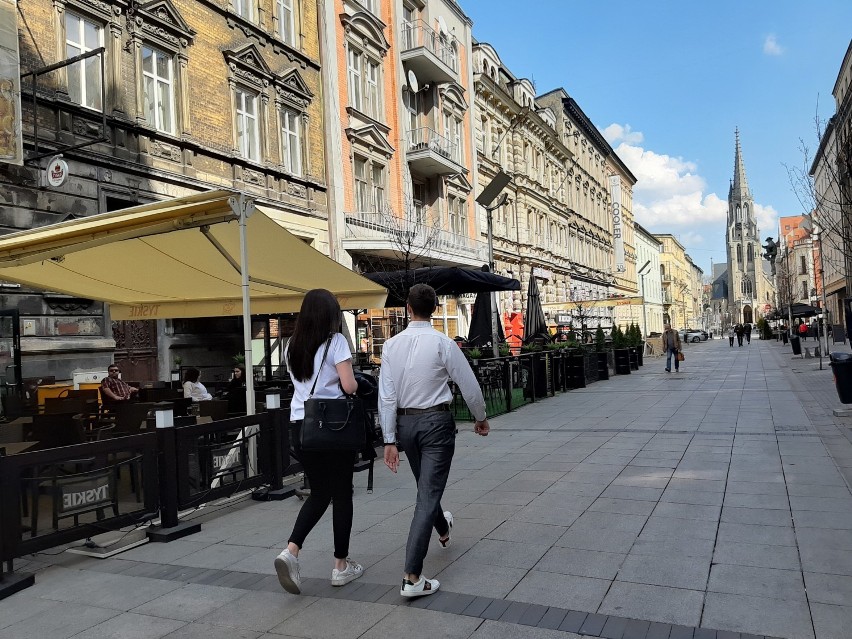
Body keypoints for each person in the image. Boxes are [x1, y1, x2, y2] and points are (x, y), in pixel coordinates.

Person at [380, 284, 490, 598]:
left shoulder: (390, 346)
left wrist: (389, 438)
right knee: (427, 494)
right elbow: (468, 383)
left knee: (426, 487)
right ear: (434, 310)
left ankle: (443, 528)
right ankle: (412, 576)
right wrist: (479, 417)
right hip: (436, 423)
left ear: (408, 309)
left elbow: (386, 396)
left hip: (405, 424)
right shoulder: (443, 343)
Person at [274, 289, 363, 595]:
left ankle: (291, 551)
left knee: (319, 492)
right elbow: (349, 385)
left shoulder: (291, 347)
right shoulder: (335, 342)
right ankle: (340, 566)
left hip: (300, 427)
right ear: (330, 315)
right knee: (342, 494)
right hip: (333, 427)